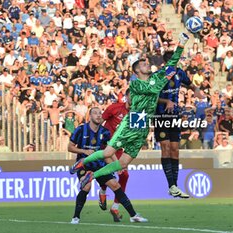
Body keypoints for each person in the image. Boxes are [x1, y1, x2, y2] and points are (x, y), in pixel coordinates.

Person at [69, 33, 189, 190]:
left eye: (147, 63)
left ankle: (93, 175)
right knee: (107, 153)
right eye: (144, 64)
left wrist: (181, 45)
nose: (148, 65)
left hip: (144, 127)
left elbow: (172, 64)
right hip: (132, 123)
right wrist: (165, 78)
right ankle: (82, 163)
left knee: (123, 163)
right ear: (137, 71)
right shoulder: (136, 84)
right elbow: (153, 89)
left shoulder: (155, 78)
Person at [68, 107, 147, 224]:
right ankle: (75, 217)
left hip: (100, 166)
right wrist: (84, 152)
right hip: (84, 165)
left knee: (115, 184)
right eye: (95, 113)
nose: (99, 115)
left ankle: (133, 215)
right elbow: (70, 147)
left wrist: (118, 165)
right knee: (86, 187)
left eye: (100, 113)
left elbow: (110, 151)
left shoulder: (105, 132)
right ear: (90, 116)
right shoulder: (80, 129)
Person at [155, 51, 202, 198]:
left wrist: (198, 92)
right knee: (166, 148)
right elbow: (151, 96)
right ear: (170, 61)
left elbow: (191, 85)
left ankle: (174, 186)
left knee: (175, 149)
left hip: (175, 115)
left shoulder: (180, 73)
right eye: (177, 59)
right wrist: (166, 101)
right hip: (161, 115)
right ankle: (171, 185)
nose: (179, 62)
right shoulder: (158, 75)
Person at [98, 90, 130, 220]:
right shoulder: (114, 108)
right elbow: (99, 122)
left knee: (125, 175)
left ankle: (115, 207)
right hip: (107, 146)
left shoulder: (136, 115)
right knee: (110, 172)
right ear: (127, 97)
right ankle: (103, 191)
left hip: (120, 148)